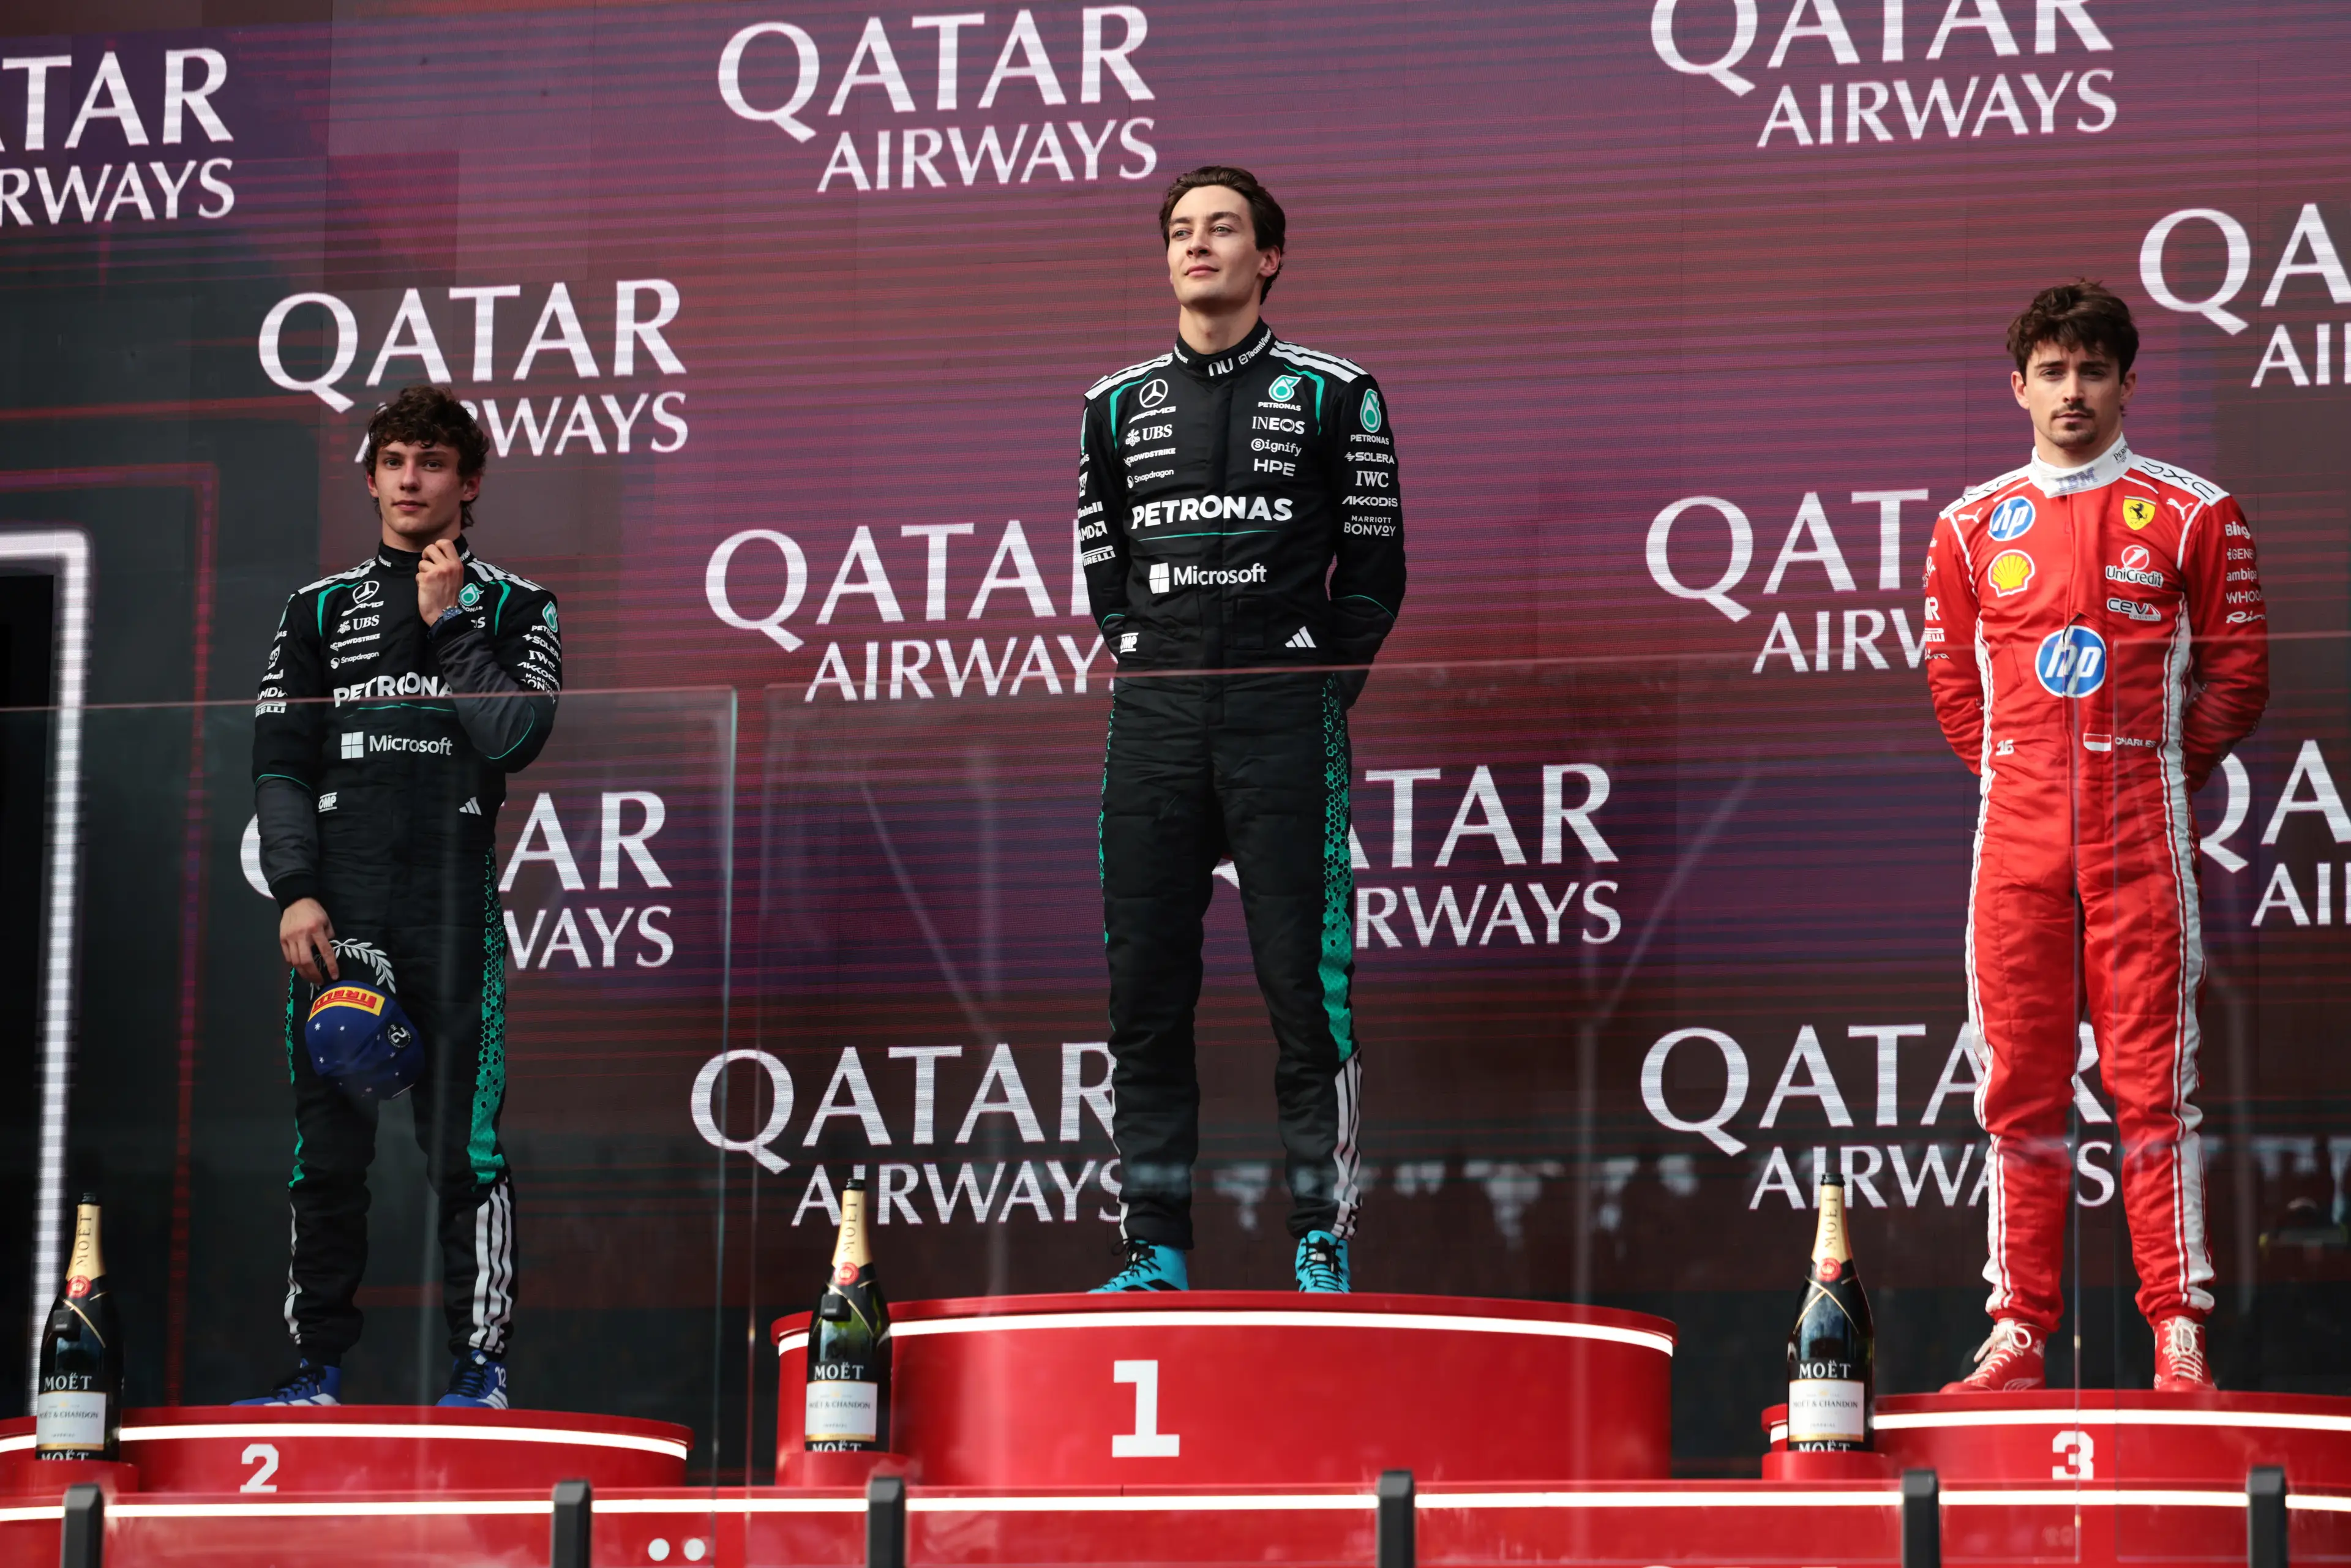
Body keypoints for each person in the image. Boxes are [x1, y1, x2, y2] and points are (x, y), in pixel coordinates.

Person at [1922, 282, 2266, 1393]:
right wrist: (2027, 780)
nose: (2075, 391)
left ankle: (2178, 1329)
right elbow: (1952, 688)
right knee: (2016, 1088)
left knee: (2152, 1088)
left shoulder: (2194, 512)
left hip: (2138, 837)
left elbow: (2238, 680)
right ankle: (2019, 1329)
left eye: (2095, 371)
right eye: (2054, 372)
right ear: (2018, 386)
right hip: (2014, 841)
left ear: (2127, 382)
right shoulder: (1969, 527)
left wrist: (2150, 770)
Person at [1078, 165, 1406, 1294]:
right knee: (1145, 995)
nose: (1197, 246)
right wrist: (1147, 654)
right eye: (1180, 232)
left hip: (1282, 717)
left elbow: (1375, 573)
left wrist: (1312, 684)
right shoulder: (1113, 404)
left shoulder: (1336, 390)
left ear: (1268, 257)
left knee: (1305, 990)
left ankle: (1322, 1232)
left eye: (1222, 230)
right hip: (1156, 722)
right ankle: (1153, 1244)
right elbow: (1103, 566)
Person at [241, 385, 561, 1408]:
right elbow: (281, 763)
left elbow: (512, 736)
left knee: (465, 1154)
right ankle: (315, 1371)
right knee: (324, 1156)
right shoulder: (316, 610)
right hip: (340, 917)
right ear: (371, 476)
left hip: (454, 913)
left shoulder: (519, 605)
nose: (411, 478)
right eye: (394, 460)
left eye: (432, 461)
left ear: (469, 484)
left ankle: (483, 1372)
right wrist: (296, 891)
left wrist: (448, 620)